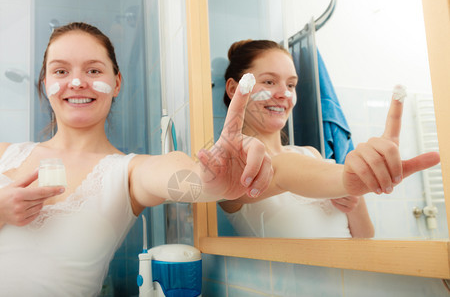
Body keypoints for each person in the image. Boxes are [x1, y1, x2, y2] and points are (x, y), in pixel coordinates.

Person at [0, 23, 273, 296]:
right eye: (61, 71)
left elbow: (178, 174)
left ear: (117, 83)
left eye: (93, 70)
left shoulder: (129, 172)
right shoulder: (4, 154)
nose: (76, 82)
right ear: (46, 83)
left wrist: (209, 182)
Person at [218, 39, 440, 238]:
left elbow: (365, 238)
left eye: (291, 85)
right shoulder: (230, 166)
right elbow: (281, 170)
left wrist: (354, 194)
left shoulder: (310, 154)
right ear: (234, 89)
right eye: (268, 82)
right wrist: (344, 179)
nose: (284, 94)